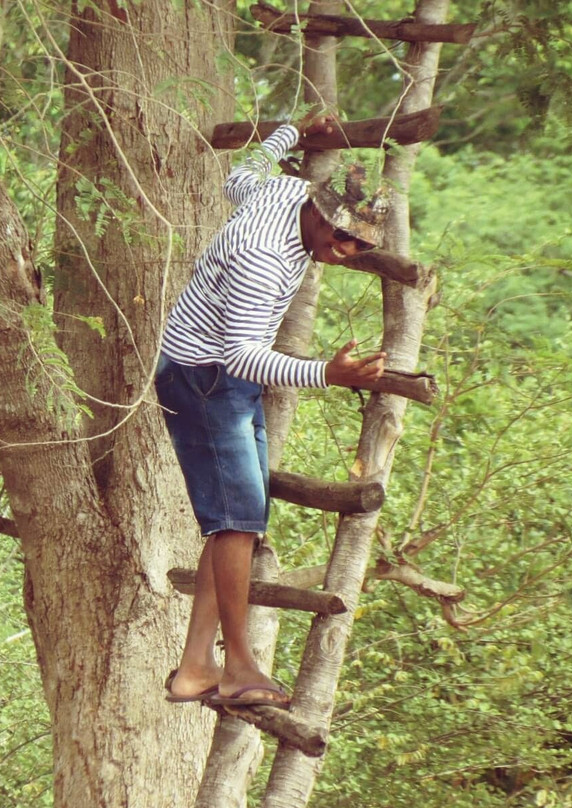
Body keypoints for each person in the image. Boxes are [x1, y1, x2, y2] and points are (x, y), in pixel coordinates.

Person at [156, 113, 387, 710]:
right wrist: (327, 374)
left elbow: (241, 174)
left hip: (213, 373)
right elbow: (241, 354)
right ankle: (238, 666)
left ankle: (194, 668)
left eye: (359, 247)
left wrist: (288, 130)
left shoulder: (282, 189)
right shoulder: (264, 259)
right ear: (319, 214)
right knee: (235, 523)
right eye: (340, 239)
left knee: (240, 519)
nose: (343, 254)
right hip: (207, 377)